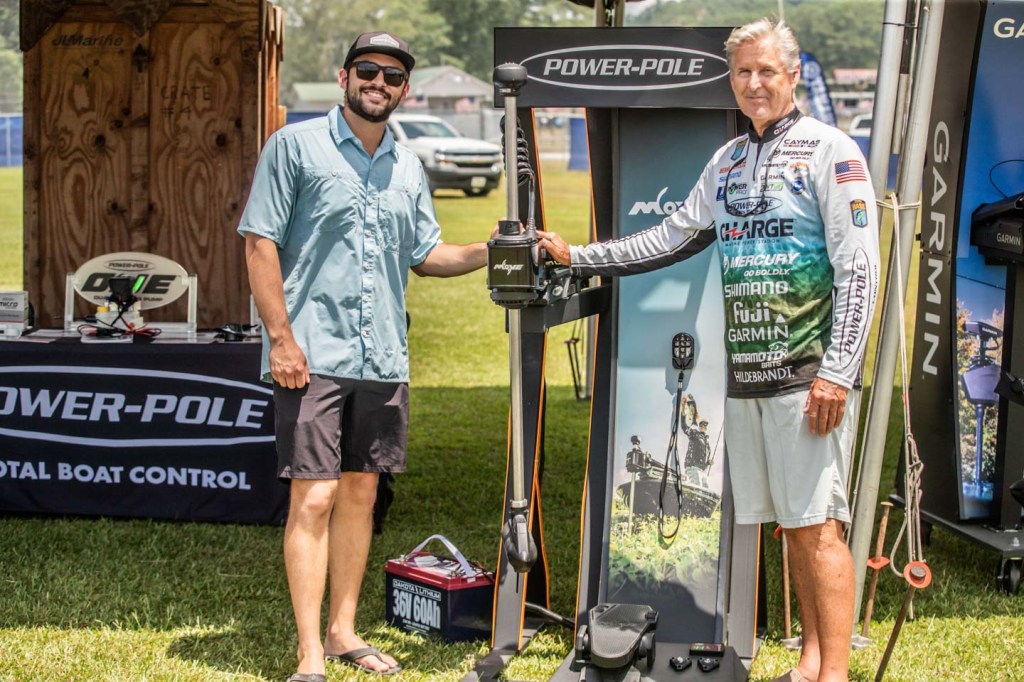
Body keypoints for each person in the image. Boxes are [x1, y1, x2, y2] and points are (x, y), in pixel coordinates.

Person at [538, 18, 880, 682]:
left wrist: (837, 373)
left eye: (767, 71)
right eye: (743, 72)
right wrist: (579, 256)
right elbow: (667, 237)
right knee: (792, 526)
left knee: (819, 527)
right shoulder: (726, 161)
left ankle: (834, 673)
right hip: (749, 377)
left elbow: (859, 268)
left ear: (794, 75)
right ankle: (810, 662)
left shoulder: (830, 152)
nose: (754, 84)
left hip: (809, 375)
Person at [237, 31, 492, 682]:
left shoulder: (407, 165)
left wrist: (491, 249)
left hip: (382, 358)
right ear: (344, 75)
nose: (379, 83)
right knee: (314, 497)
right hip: (311, 354)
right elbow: (259, 244)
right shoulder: (294, 146)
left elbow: (426, 255)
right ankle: (310, 654)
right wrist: (281, 339)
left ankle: (343, 632)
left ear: (405, 90)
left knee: (361, 492)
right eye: (368, 70)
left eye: (394, 76)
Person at [680, 394, 711, 487]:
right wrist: (683, 407)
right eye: (701, 425)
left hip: (702, 471)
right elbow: (683, 426)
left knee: (706, 489)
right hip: (693, 467)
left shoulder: (707, 443)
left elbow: (704, 460)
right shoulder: (694, 434)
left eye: (705, 425)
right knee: (697, 485)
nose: (703, 426)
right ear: (699, 426)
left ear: (707, 428)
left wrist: (708, 463)